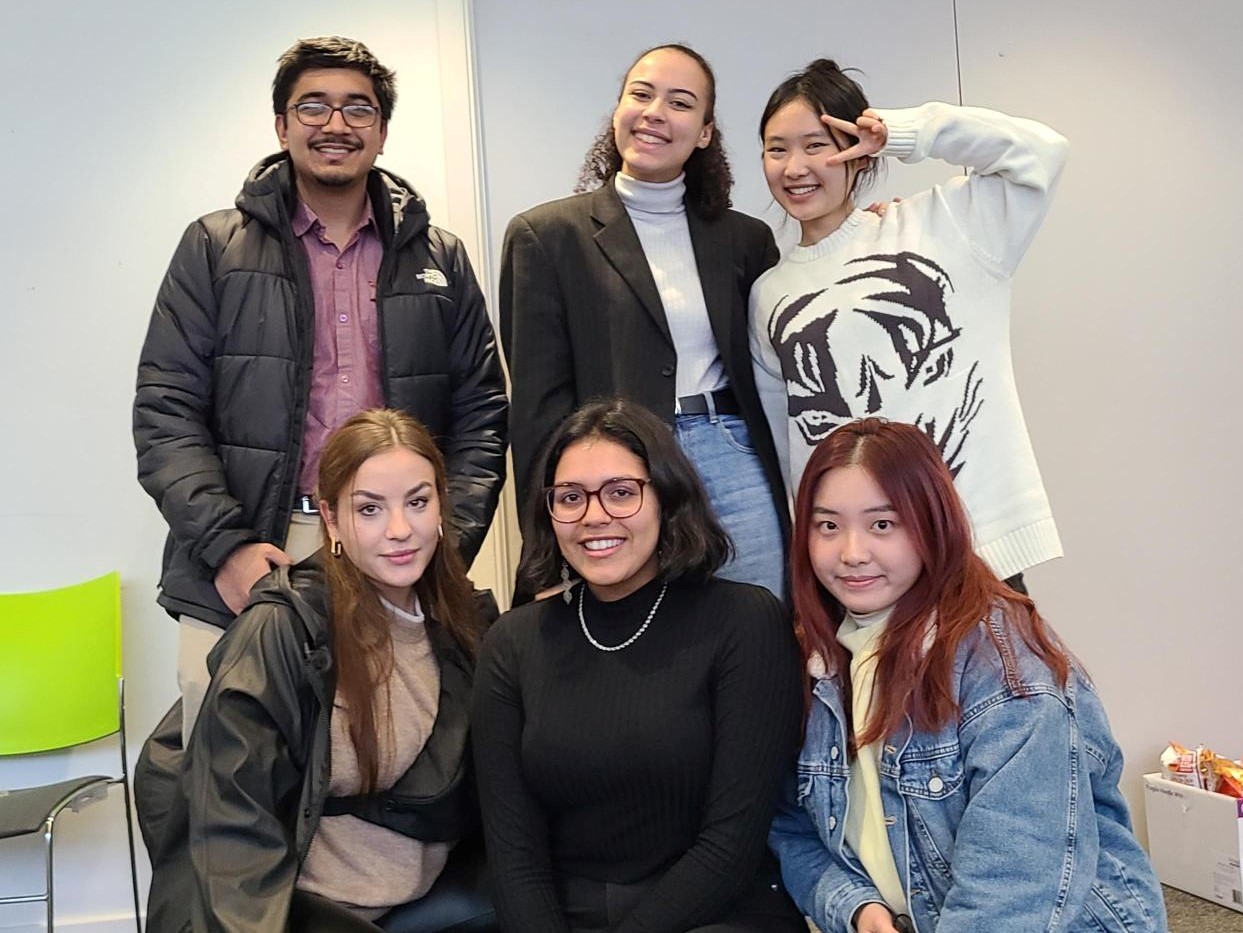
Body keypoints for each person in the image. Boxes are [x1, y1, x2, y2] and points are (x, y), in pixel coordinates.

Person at [134, 36, 508, 742]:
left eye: (357, 109)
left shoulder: (441, 258)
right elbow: (165, 413)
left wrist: (442, 540)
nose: (336, 124)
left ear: (382, 131)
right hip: (256, 545)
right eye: (313, 106)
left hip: (394, 541)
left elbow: (482, 413)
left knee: (389, 755)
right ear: (282, 126)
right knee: (231, 764)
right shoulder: (214, 248)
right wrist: (228, 548)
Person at [768, 417, 1165, 932]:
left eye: (883, 525)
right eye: (828, 526)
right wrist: (858, 908)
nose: (852, 553)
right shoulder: (816, 656)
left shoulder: (1004, 669)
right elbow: (791, 825)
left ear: (932, 526)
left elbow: (1014, 891)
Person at [135, 409, 497, 933]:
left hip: (420, 896)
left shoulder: (467, 620)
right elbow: (234, 827)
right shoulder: (283, 629)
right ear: (331, 519)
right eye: (369, 509)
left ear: (442, 504)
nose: (400, 530)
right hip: (301, 911)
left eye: (417, 502)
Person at [471, 398, 806, 932]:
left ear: (666, 499)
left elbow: (732, 843)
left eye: (621, 493)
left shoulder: (744, 621)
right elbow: (515, 858)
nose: (594, 516)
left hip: (716, 914)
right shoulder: (511, 643)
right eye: (571, 497)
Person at [751, 59, 1068, 589]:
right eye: (777, 149)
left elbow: (1041, 152)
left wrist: (906, 131)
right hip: (861, 569)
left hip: (976, 548)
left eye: (817, 145)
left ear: (859, 151)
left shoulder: (944, 227)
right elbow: (792, 451)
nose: (795, 167)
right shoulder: (770, 294)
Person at [500, 43, 787, 597]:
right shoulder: (547, 236)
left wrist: (863, 228)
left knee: (759, 624)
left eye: (680, 103)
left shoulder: (746, 240)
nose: (656, 112)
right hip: (616, 477)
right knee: (639, 634)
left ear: (704, 133)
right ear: (618, 110)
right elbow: (538, 410)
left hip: (733, 458)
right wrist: (545, 551)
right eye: (641, 94)